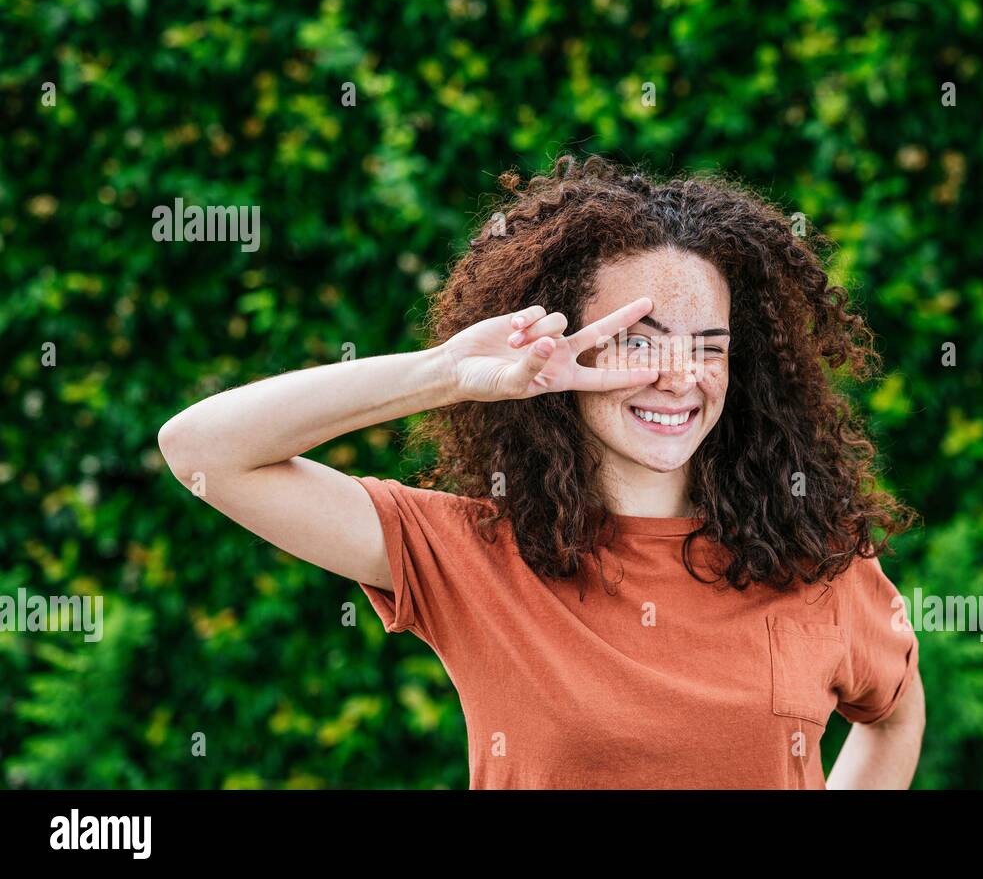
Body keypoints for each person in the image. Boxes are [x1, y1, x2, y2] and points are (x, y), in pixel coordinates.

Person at [158, 153, 925, 789]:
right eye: (638, 340)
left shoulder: (813, 559)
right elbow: (203, 453)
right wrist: (446, 371)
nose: (679, 377)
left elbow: (894, 715)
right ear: (566, 349)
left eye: (709, 346)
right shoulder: (474, 554)